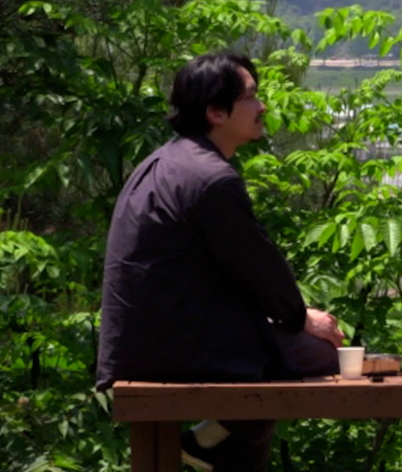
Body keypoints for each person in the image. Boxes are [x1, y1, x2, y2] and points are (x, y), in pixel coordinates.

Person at [96, 53, 345, 471]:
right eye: (251, 97)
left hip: (139, 343)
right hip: (177, 348)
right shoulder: (210, 179)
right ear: (216, 112)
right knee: (320, 355)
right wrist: (301, 317)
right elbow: (259, 267)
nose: (262, 106)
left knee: (268, 360)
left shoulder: (166, 162)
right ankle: (205, 443)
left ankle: (207, 443)